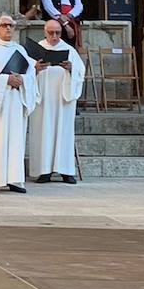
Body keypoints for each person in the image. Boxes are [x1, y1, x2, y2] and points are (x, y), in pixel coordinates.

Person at [0, 14, 38, 193]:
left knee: (15, 140)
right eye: (4, 25)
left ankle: (14, 180)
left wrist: (23, 80)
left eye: (11, 25)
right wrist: (6, 80)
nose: (8, 28)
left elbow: (31, 75)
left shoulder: (20, 50)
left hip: (16, 101)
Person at [28, 18, 85, 184]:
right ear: (44, 32)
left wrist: (71, 68)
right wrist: (35, 69)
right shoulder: (36, 50)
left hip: (62, 100)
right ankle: (43, 171)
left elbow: (80, 72)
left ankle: (66, 170)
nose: (54, 36)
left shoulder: (68, 50)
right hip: (43, 100)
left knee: (64, 133)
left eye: (58, 33)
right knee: (43, 133)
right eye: (51, 33)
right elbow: (25, 72)